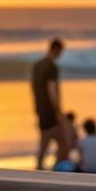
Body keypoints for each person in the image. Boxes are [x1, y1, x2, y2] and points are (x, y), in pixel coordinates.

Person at [31, 38, 66, 169]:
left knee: (44, 143)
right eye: (60, 52)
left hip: (40, 109)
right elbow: (51, 90)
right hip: (50, 112)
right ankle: (57, 169)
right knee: (63, 142)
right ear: (56, 49)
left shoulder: (37, 66)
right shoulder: (52, 67)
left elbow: (34, 88)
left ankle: (40, 168)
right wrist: (58, 111)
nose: (60, 55)